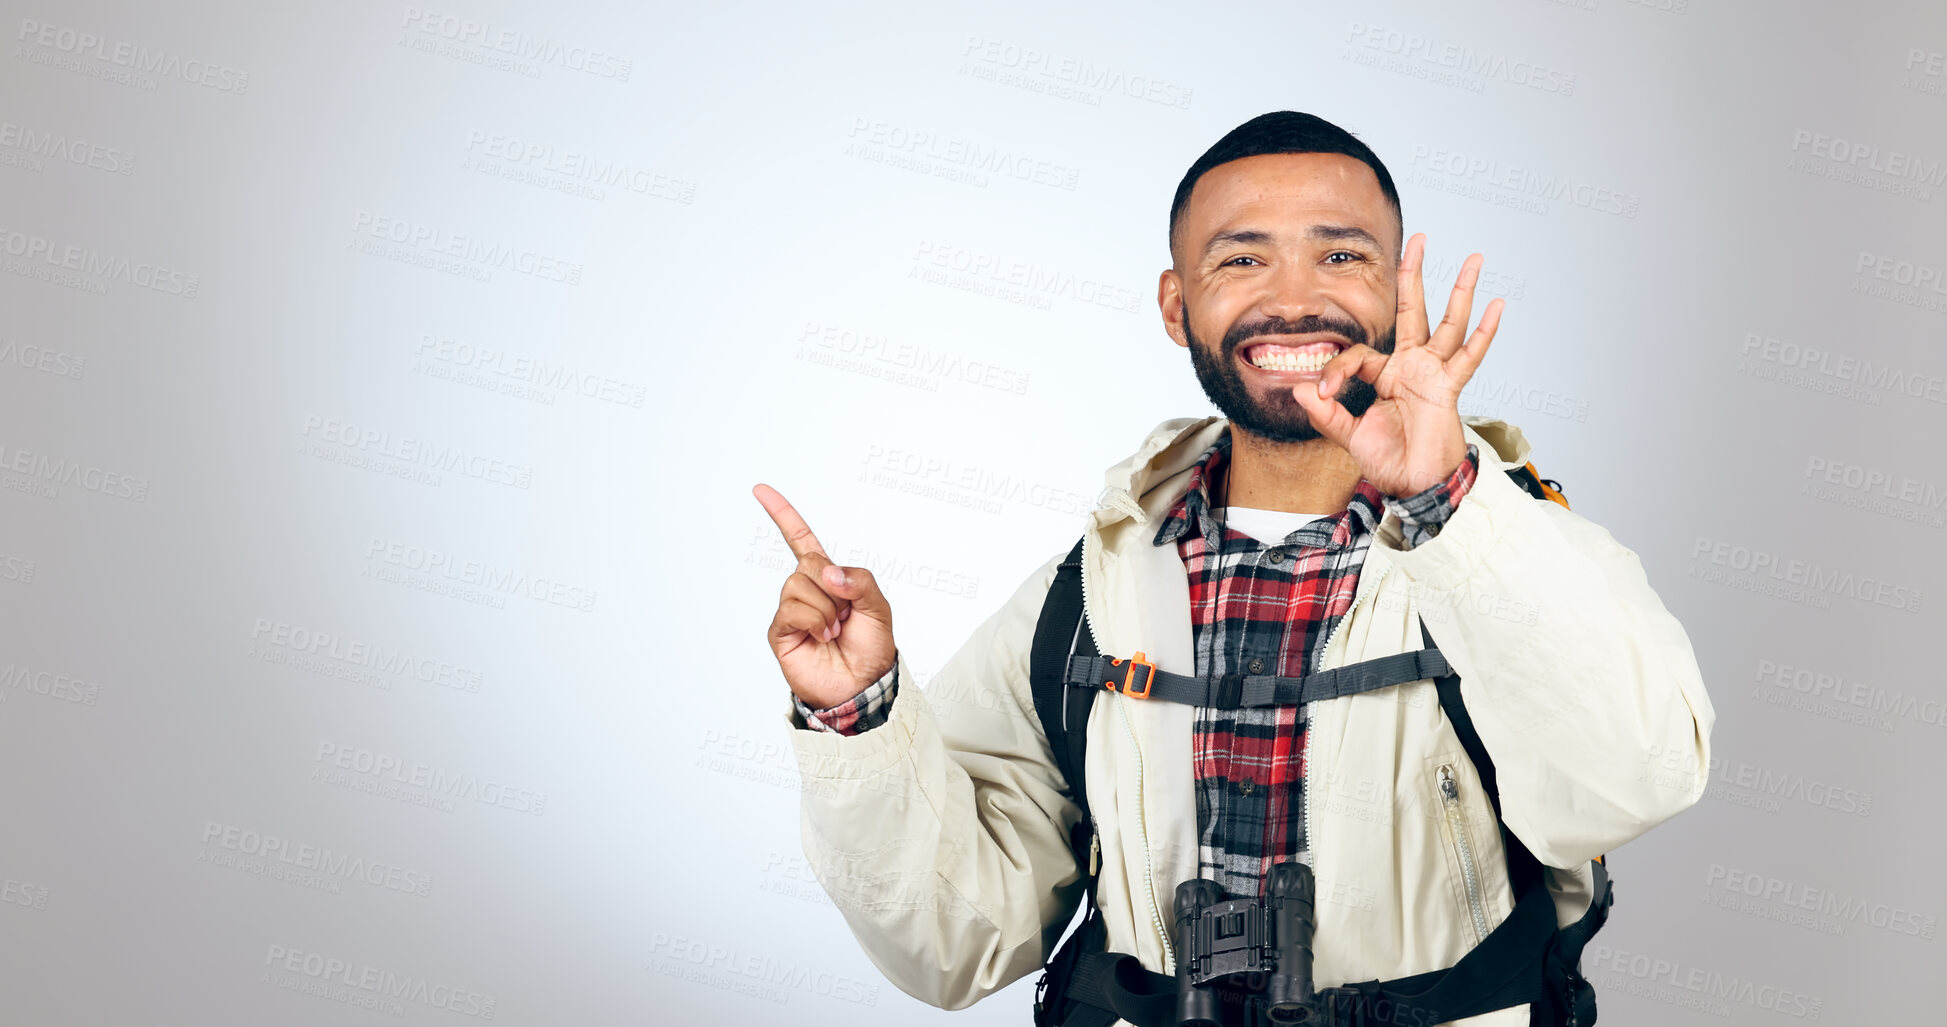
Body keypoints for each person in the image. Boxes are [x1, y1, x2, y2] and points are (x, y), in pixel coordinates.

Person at [753, 111, 1714, 1027]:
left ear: (1390, 289)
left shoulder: (1505, 543)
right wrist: (859, 715)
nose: (1293, 298)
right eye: (1241, 258)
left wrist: (1445, 502)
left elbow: (1637, 779)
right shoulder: (1083, 597)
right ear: (1178, 304)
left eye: (1340, 255)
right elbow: (953, 940)